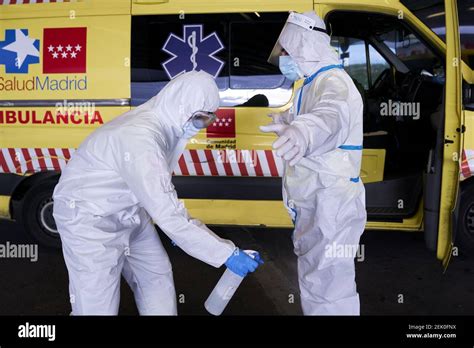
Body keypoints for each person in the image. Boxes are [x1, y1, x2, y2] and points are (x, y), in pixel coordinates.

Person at [53, 71, 262, 315]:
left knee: (156, 274)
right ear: (181, 105)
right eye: (200, 118)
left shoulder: (167, 124)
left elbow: (161, 202)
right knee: (97, 305)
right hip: (89, 220)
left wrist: (185, 232)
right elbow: (168, 212)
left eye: (209, 119)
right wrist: (227, 253)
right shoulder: (141, 139)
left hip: (130, 212)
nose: (202, 126)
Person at [261, 11, 367, 315]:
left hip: (331, 206)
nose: (283, 57)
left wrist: (303, 132)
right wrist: (289, 120)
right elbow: (317, 117)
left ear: (305, 45)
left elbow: (330, 118)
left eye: (286, 50)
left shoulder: (334, 84)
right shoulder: (314, 82)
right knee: (317, 282)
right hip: (320, 203)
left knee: (330, 291)